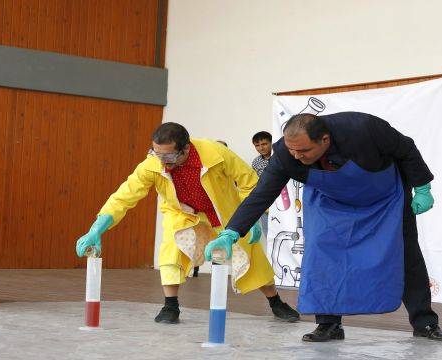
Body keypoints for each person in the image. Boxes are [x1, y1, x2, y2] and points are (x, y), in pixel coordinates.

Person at [205, 112, 442, 342]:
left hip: (384, 198)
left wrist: (422, 186)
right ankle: (328, 324)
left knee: (406, 254)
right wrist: (232, 231)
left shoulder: (364, 129)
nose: (297, 157)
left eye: (304, 151)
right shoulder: (285, 154)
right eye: (292, 150)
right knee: (321, 255)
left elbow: (406, 149)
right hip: (331, 202)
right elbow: (262, 194)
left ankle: (425, 323)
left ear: (325, 139)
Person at [75, 122, 299, 324]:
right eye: (157, 153)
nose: (163, 161)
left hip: (224, 213)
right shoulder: (152, 164)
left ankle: (275, 302)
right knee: (171, 251)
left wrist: (252, 219)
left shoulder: (216, 153)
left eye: (169, 156)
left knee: (251, 256)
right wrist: (97, 229)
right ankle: (170, 306)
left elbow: (250, 183)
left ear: (186, 149)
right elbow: (124, 196)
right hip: (182, 214)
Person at [251, 131, 273, 238]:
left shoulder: (280, 158)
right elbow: (254, 182)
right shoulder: (256, 162)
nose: (261, 148)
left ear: (271, 143)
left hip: (283, 199)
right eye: (257, 145)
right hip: (264, 202)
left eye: (264, 144)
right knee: (267, 231)